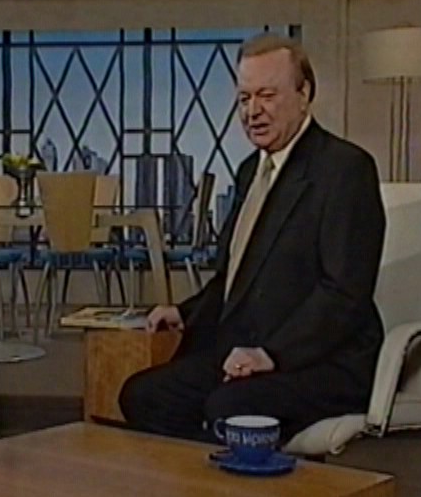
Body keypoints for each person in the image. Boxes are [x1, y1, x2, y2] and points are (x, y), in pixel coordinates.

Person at [119, 32, 386, 446]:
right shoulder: (249, 172)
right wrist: (184, 313)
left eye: (267, 95)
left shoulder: (345, 169)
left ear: (304, 94)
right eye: (244, 98)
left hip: (323, 361)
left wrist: (271, 354)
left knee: (228, 406)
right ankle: (203, 481)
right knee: (144, 395)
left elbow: (344, 294)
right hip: (248, 354)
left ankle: (236, 482)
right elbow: (234, 279)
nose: (252, 111)